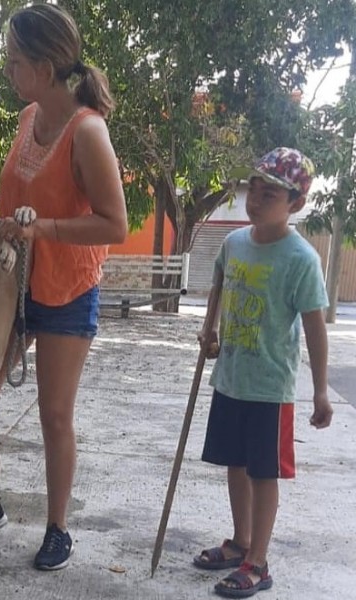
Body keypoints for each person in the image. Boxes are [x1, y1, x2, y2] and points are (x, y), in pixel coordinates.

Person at [0, 3, 128, 571]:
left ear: (46, 68)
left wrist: (40, 227)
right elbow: (17, 199)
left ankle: (57, 528)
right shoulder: (30, 119)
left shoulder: (88, 131)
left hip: (68, 289)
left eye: (16, 61)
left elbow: (115, 223)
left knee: (54, 414)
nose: (8, 70)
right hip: (11, 287)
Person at [193, 147, 332, 598]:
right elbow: (218, 286)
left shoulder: (301, 259)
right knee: (233, 463)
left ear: (295, 203)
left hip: (271, 388)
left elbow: (314, 326)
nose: (254, 199)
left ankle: (259, 562)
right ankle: (240, 541)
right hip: (231, 378)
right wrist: (208, 331)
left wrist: (321, 392)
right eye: (252, 188)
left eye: (268, 193)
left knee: (263, 473)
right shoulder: (234, 243)